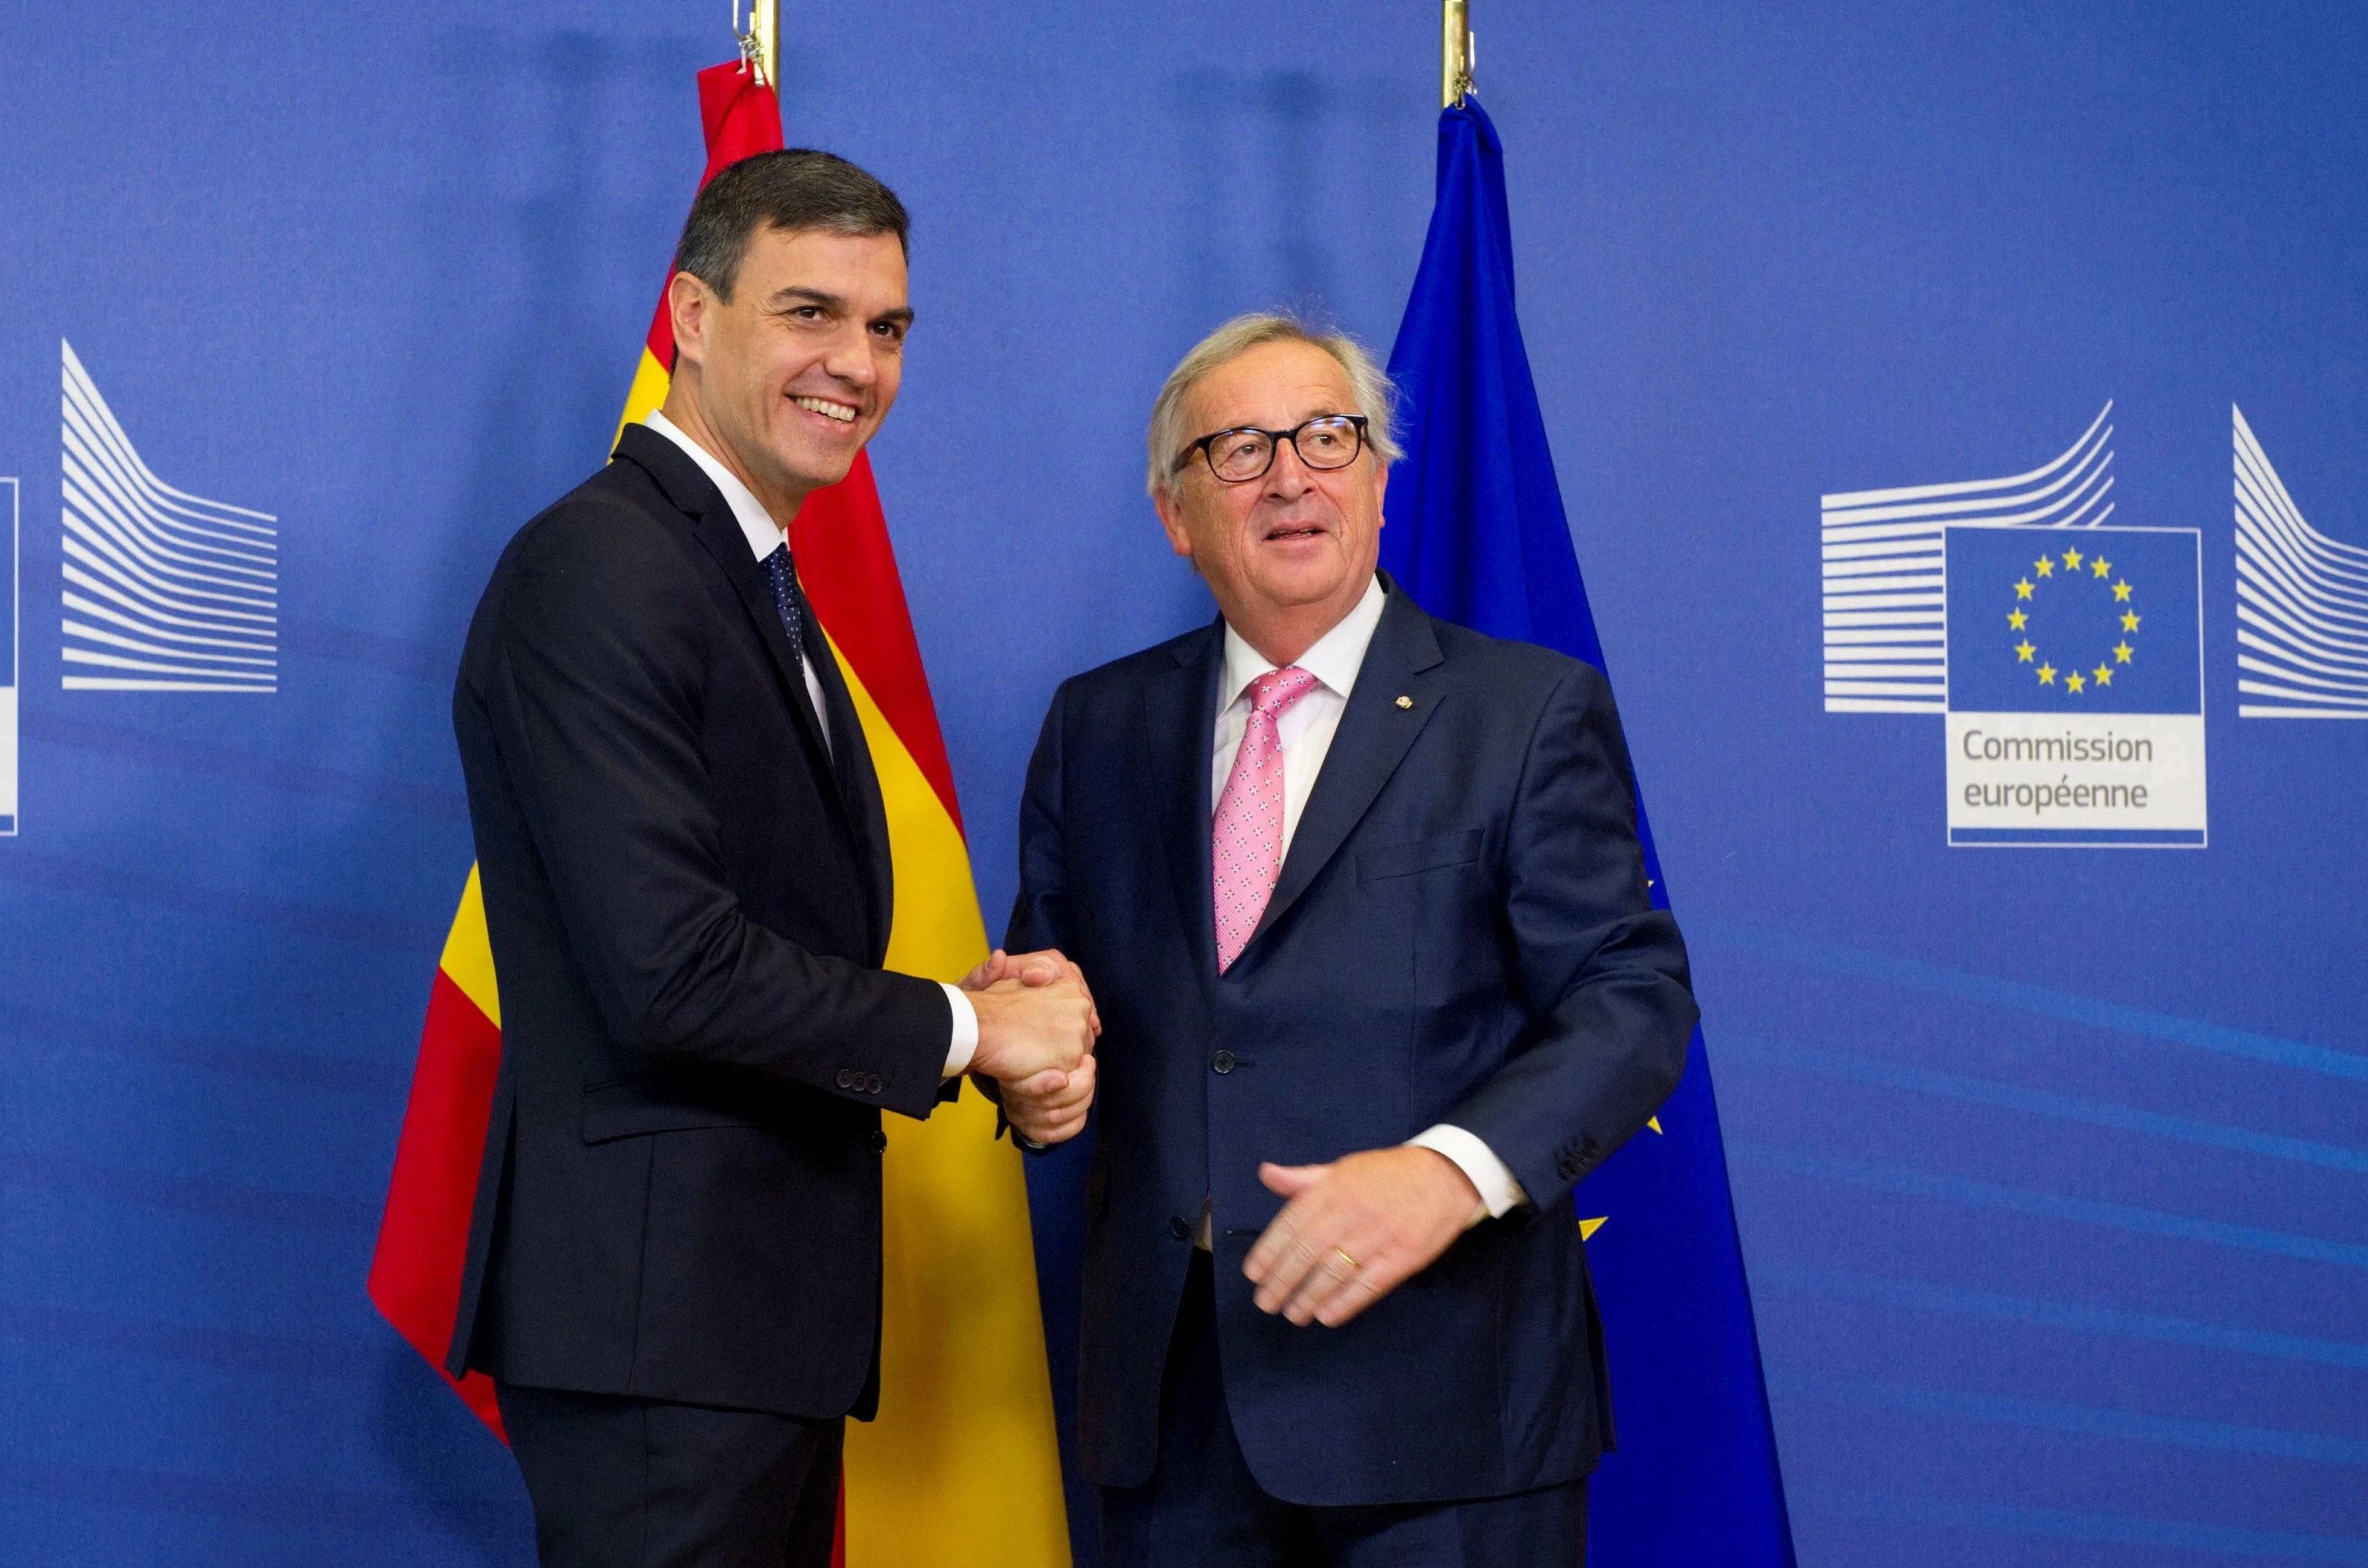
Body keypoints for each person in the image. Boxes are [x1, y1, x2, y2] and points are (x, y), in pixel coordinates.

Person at [445, 149, 1096, 1568]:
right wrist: (976, 1031)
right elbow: (672, 972)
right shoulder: (603, 567)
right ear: (691, 312)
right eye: (810, 312)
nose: (854, 364)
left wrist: (979, 1021)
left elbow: (763, 929)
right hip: (661, 1343)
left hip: (737, 1339)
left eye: (886, 327)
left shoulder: (748, 576)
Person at [1004, 314, 1695, 1566]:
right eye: (1238, 448)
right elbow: (1056, 1009)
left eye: (1328, 436)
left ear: (1377, 481)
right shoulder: (1094, 727)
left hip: (1445, 1410)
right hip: (1171, 1412)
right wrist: (1038, 1076)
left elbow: (1629, 995)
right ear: (1175, 513)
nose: (1289, 475)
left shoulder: (1521, 711)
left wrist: (1447, 1170)